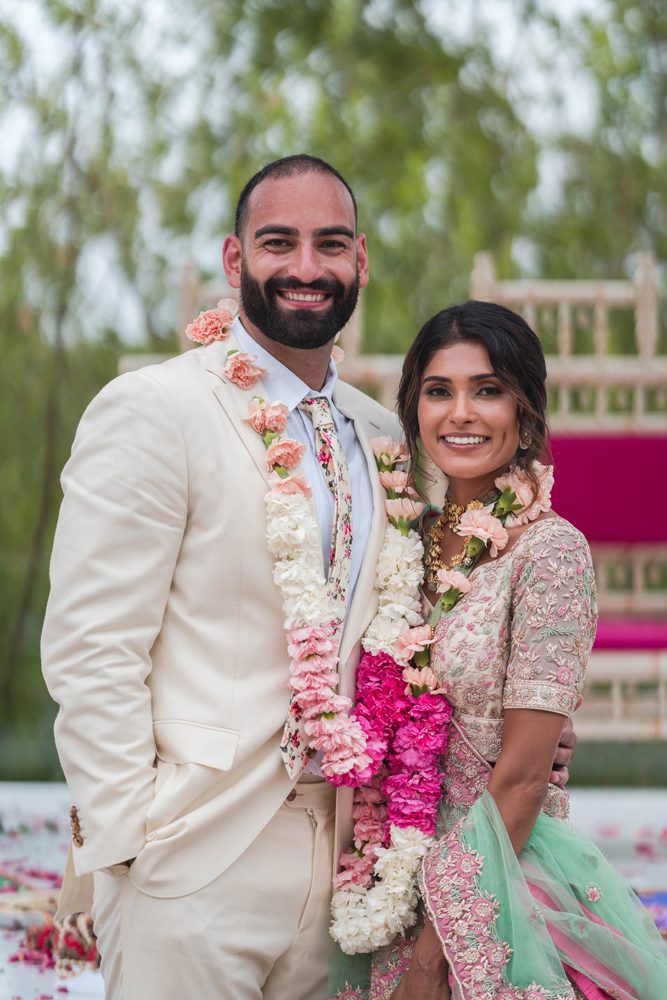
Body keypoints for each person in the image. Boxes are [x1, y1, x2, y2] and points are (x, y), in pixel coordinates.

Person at [41, 157, 576, 1000]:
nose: (304, 268)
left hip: (350, 873)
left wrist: (522, 715)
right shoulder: (154, 410)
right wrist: (130, 839)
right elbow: (90, 644)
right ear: (233, 261)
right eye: (276, 242)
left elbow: (425, 621)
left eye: (329, 244)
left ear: (358, 261)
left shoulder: (386, 436)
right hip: (194, 855)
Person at [329, 300, 667, 999]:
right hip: (387, 865)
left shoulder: (550, 554)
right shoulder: (397, 543)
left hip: (502, 875)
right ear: (411, 410)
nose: (460, 413)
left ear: (525, 412)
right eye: (437, 391)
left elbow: (520, 777)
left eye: (487, 390)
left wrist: (431, 960)